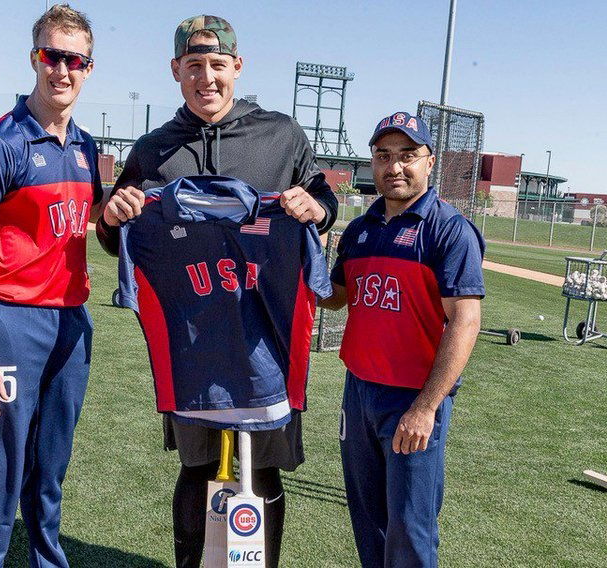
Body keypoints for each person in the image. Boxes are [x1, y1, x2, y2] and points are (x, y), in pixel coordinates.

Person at [94, 14, 339, 568]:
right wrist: (113, 219)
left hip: (265, 339)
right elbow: (119, 238)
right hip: (194, 340)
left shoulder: (281, 136)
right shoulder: (155, 149)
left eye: (218, 65)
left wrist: (317, 209)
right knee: (197, 466)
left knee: (265, 467)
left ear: (238, 68)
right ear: (176, 71)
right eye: (195, 66)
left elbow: (324, 198)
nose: (207, 78)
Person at [0, 5, 101, 567]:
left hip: (71, 324)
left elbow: (96, 227)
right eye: (51, 56)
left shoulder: (86, 148)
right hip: (10, 323)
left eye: (74, 60)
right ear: (35, 58)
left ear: (88, 67)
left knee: (50, 467)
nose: (62, 70)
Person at [321, 112, 485, 567]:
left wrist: (426, 407)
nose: (395, 167)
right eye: (383, 156)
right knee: (368, 521)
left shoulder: (448, 229)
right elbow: (334, 298)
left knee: (410, 530)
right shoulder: (360, 229)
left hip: (412, 399)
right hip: (359, 393)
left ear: (429, 162)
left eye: (408, 155)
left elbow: (465, 322)